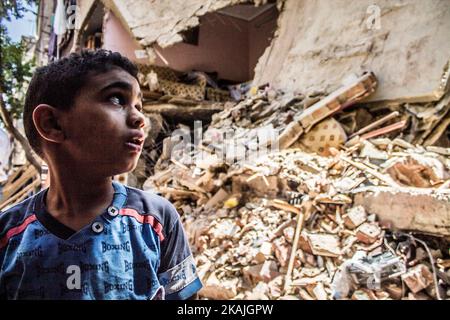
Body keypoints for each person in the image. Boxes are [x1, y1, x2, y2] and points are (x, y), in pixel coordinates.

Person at [0, 49, 202, 300]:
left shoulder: (156, 220)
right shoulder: (8, 235)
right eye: (117, 99)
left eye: (139, 105)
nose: (140, 117)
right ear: (52, 123)